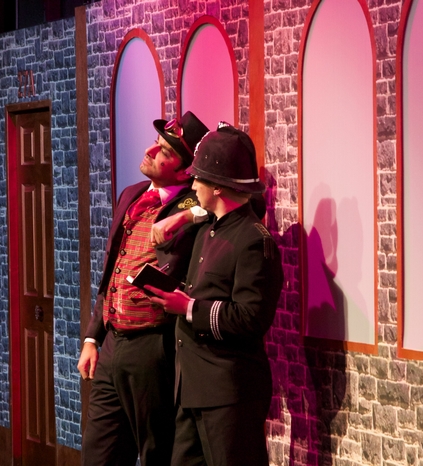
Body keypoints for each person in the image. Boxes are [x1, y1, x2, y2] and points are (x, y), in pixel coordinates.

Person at [77, 111, 210, 466]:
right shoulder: (132, 194)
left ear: (184, 171)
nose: (151, 151)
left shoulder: (195, 202)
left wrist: (185, 215)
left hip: (153, 346)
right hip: (112, 343)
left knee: (157, 451)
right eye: (156, 143)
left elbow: (246, 203)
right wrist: (91, 337)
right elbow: (112, 270)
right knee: (99, 453)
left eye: (164, 151)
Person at [147, 122, 284, 466]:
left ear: (218, 187)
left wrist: (188, 307)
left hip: (228, 393)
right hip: (192, 388)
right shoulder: (207, 228)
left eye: (199, 179)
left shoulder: (254, 241)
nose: (192, 185)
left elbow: (251, 318)